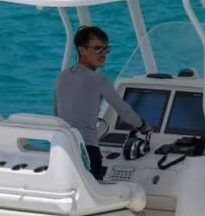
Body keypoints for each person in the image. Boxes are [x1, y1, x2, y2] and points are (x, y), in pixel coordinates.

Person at [53, 25, 151, 180]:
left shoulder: (61, 77)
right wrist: (143, 126)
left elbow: (57, 116)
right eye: (98, 49)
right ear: (82, 50)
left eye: (106, 49)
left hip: (63, 150)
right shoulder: (100, 80)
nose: (104, 54)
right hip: (88, 151)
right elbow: (122, 109)